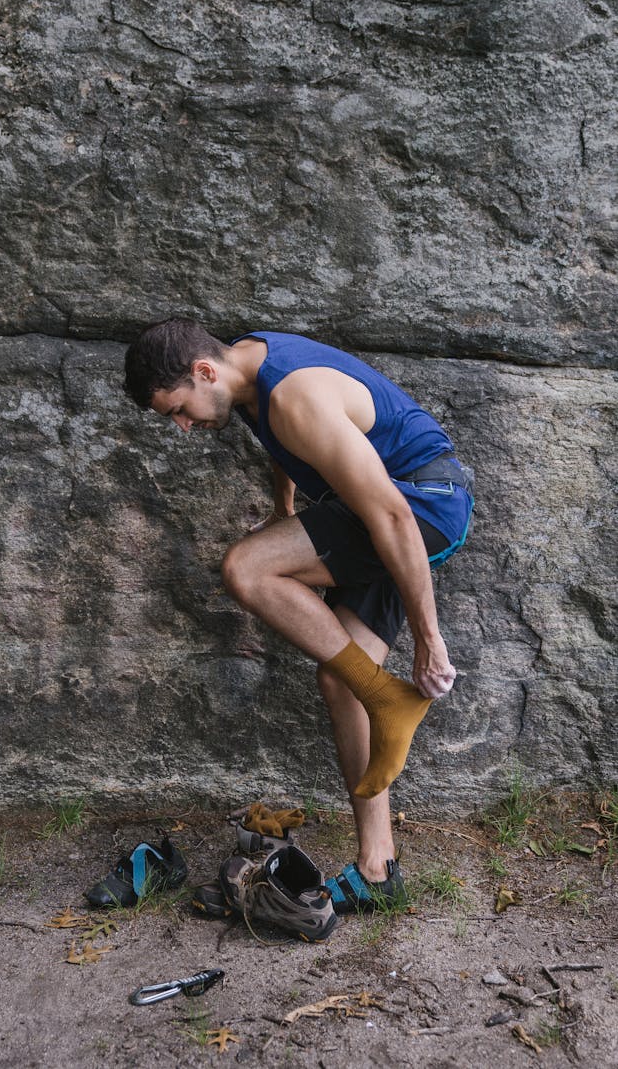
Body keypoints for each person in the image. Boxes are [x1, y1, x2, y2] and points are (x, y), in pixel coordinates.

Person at [123, 318, 474, 914]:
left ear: (204, 372)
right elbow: (289, 448)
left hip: (419, 506)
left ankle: (391, 699)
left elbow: (391, 517)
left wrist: (428, 638)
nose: (182, 427)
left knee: (248, 569)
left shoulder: (293, 396)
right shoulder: (252, 373)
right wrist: (283, 511)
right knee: (340, 678)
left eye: (176, 409)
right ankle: (378, 869)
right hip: (384, 506)